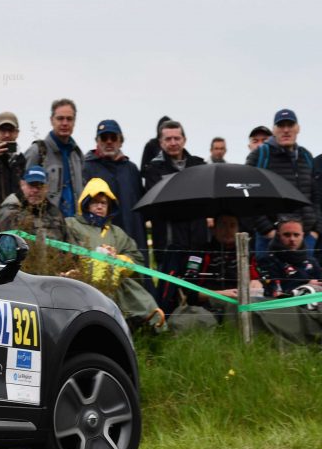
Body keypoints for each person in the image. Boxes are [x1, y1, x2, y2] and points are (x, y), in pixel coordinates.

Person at [65, 178, 165, 328]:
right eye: (95, 202)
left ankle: (146, 327)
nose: (99, 206)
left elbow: (137, 259)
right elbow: (65, 252)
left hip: (117, 283)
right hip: (83, 282)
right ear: (85, 204)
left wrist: (118, 259)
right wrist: (94, 260)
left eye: (103, 203)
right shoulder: (71, 224)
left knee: (143, 301)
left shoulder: (117, 233)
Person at [142, 120, 208, 300]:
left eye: (176, 138)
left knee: (196, 291)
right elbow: (159, 205)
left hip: (197, 240)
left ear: (184, 140)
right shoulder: (154, 170)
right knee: (167, 295)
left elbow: (205, 200)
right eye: (168, 139)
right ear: (161, 142)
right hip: (169, 244)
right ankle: (165, 324)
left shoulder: (199, 165)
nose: (173, 143)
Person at [246, 109, 318, 256]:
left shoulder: (306, 156)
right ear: (274, 130)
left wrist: (316, 230)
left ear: (297, 128)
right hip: (270, 239)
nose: (286, 130)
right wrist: (267, 230)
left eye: (290, 125)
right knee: (271, 278)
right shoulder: (260, 155)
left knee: (306, 279)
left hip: (305, 238)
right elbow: (247, 194)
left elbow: (316, 195)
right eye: (281, 126)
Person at [82, 120, 146, 258]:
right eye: (104, 138)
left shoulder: (132, 169)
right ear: (97, 141)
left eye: (113, 137)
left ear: (120, 141)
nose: (109, 142)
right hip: (102, 238)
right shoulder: (87, 168)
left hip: (132, 235)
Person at [179, 212, 262, 310]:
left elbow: (260, 281)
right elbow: (189, 293)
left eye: (232, 225)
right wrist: (222, 294)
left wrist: (256, 283)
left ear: (238, 229)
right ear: (214, 229)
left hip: (243, 308)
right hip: (206, 310)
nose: (228, 230)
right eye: (223, 225)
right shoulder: (199, 253)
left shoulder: (246, 254)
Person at [24, 98, 84, 218]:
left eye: (69, 119)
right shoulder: (38, 151)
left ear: (74, 122)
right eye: (60, 118)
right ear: (52, 120)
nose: (65, 123)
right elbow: (22, 188)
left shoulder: (77, 155)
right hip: (45, 225)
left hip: (74, 227)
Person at [0, 165, 66, 241]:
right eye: (31, 185)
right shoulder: (8, 214)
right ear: (22, 184)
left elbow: (68, 245)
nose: (35, 190)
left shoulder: (55, 214)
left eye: (40, 186)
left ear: (47, 188)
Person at [258, 217, 322, 296]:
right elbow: (274, 293)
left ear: (302, 235)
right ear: (278, 235)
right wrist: (306, 286)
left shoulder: (311, 261)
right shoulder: (268, 261)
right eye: (287, 235)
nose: (292, 239)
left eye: (296, 235)